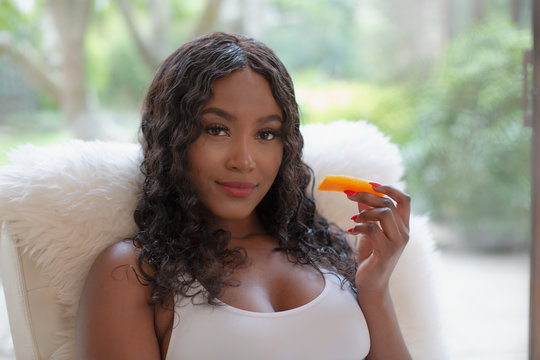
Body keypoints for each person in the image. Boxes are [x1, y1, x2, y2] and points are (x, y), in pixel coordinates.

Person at [75, 32, 412, 360]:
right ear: (170, 137)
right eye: (217, 129)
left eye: (266, 134)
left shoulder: (325, 248)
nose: (244, 161)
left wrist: (375, 290)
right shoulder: (132, 272)